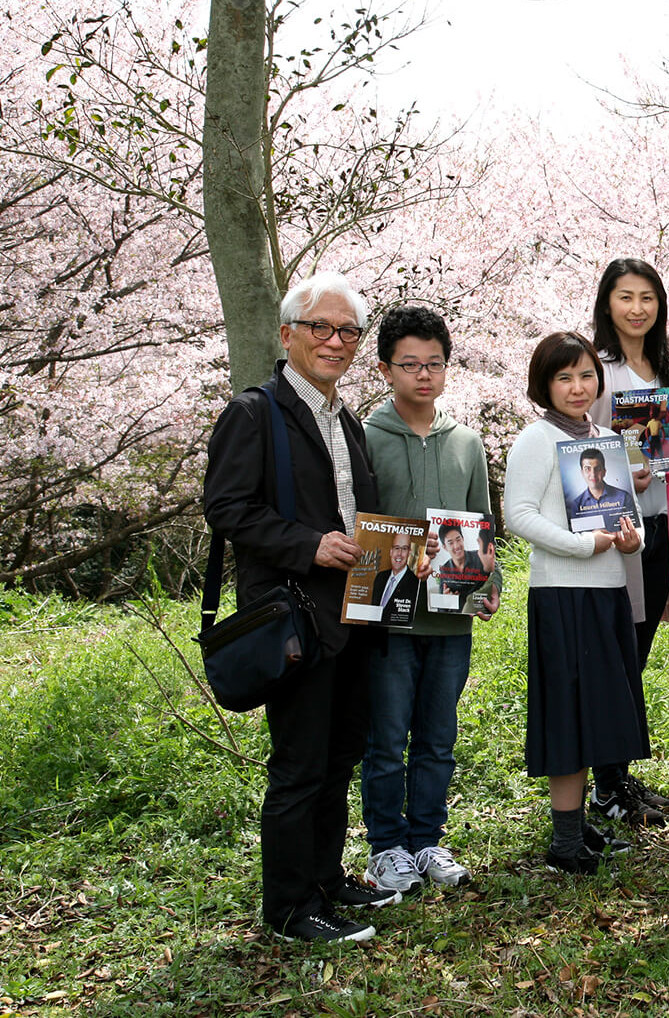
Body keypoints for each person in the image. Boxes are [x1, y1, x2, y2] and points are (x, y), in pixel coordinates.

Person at [202, 270, 398, 943]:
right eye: (322, 327)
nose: (336, 340)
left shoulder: (346, 417)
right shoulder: (254, 412)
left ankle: (324, 879)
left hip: (354, 618)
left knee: (340, 756)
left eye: (348, 330)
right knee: (299, 765)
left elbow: (357, 512)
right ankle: (288, 909)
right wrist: (307, 546)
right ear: (288, 334)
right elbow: (226, 508)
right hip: (296, 617)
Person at [360, 305, 499, 896]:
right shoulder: (363, 437)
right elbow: (356, 524)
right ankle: (385, 848)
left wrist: (487, 586)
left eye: (434, 364)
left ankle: (426, 841)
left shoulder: (466, 442)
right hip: (387, 619)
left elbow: (481, 527)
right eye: (409, 364)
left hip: (450, 618)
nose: (423, 375)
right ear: (386, 369)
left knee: (439, 737)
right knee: (386, 740)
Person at [505, 331, 649, 875]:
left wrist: (632, 540)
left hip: (609, 590)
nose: (577, 386)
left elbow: (626, 517)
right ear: (544, 383)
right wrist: (583, 545)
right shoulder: (534, 440)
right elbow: (518, 515)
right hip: (562, 593)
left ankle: (578, 825)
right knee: (567, 713)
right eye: (564, 377)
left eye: (586, 375)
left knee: (597, 711)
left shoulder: (610, 440)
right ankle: (565, 842)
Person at [588, 258, 669, 827]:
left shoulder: (661, 368)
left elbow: (665, 452)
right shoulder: (598, 369)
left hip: (661, 522)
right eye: (626, 297)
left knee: (638, 653)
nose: (637, 308)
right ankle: (608, 783)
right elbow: (584, 453)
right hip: (620, 530)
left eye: (648, 297)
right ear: (607, 304)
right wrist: (626, 478)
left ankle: (619, 775)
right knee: (616, 653)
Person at [372, 533, 421, 625]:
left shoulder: (415, 582)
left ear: (409, 553)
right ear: (391, 551)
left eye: (404, 549)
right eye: (397, 548)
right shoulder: (380, 577)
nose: (399, 554)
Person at [435, 524, 487, 598]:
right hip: (457, 609)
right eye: (451, 543)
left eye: (458, 539)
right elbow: (441, 606)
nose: (456, 546)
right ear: (445, 547)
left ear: (463, 539)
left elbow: (494, 571)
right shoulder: (444, 570)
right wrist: (447, 600)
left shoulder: (480, 557)